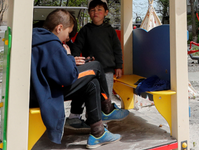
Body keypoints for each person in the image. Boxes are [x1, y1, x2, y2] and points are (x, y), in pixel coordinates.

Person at [30, 9, 127, 148]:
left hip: (38, 90)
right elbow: (67, 77)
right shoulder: (52, 44)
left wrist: (69, 60)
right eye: (68, 33)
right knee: (96, 66)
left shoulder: (38, 37)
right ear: (59, 28)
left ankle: (98, 132)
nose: (68, 39)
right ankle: (107, 109)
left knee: (91, 83)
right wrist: (69, 57)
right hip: (47, 93)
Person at [70, 0, 124, 97]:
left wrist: (119, 66)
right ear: (89, 13)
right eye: (92, 10)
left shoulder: (110, 30)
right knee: (91, 95)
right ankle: (91, 113)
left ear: (106, 13)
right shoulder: (85, 30)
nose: (96, 12)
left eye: (99, 10)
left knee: (106, 96)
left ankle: (106, 111)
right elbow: (77, 47)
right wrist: (74, 60)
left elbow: (117, 49)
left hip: (107, 70)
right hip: (91, 70)